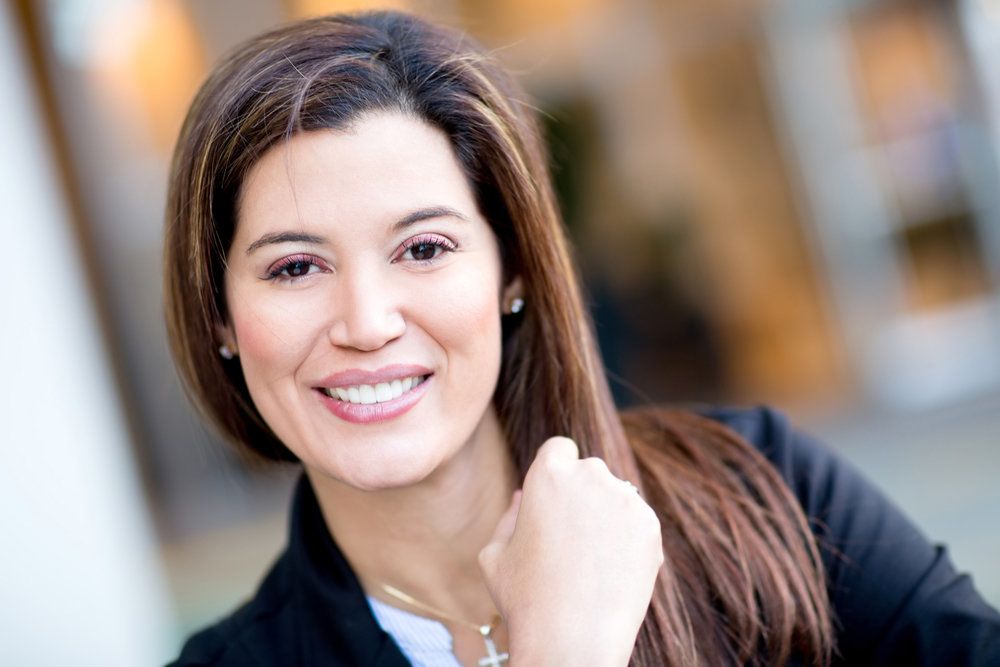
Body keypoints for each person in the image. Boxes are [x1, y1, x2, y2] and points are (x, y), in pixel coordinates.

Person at [164, 10, 1000, 666]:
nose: (367, 322)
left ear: (513, 269)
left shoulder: (765, 492)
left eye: (423, 249)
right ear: (222, 319)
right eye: (295, 267)